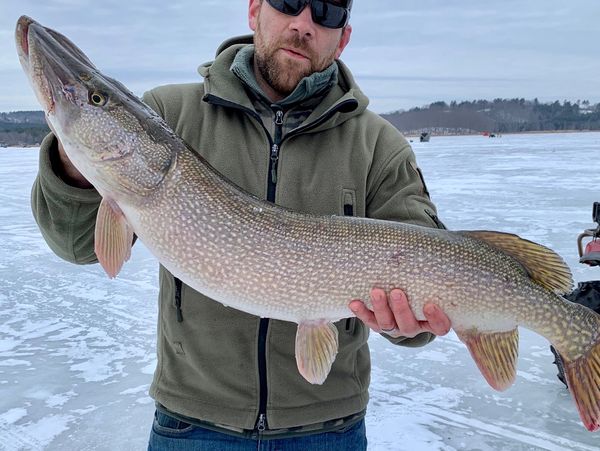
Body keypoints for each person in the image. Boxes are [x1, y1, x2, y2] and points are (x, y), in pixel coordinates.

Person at [31, 0, 451, 449]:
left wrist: (408, 322)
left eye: (326, 13)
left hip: (330, 430)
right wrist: (75, 164)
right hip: (192, 425)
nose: (303, 23)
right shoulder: (169, 115)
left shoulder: (378, 146)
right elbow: (76, 243)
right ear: (254, 11)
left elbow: (431, 279)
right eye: (288, 2)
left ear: (343, 37)